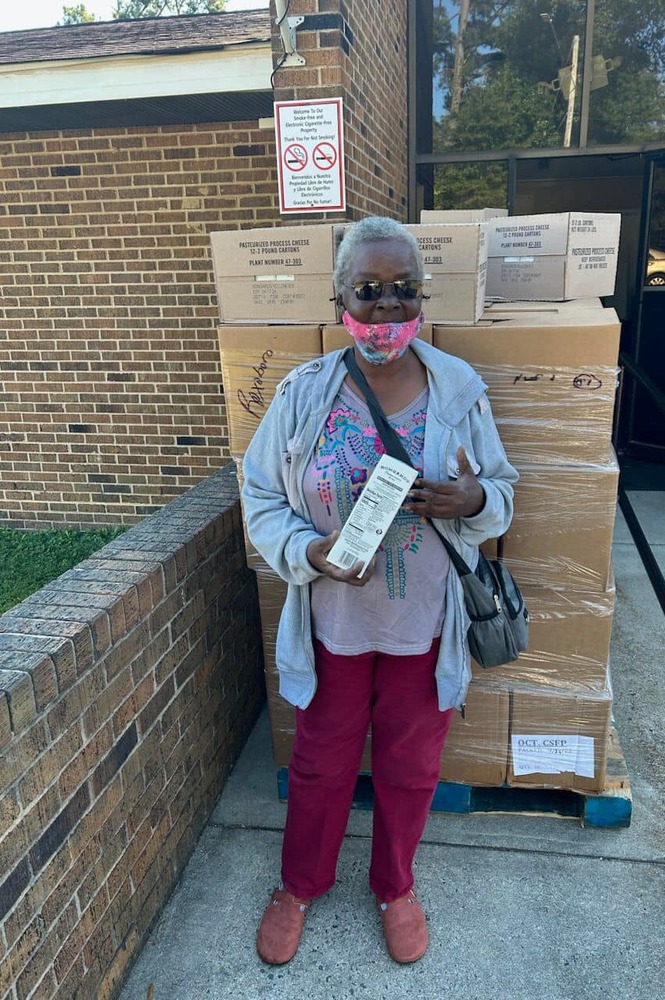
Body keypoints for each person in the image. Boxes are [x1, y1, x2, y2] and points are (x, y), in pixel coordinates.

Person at [241, 215, 518, 966]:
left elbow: (501, 491)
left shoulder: (457, 389)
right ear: (340, 299)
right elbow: (260, 494)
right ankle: (299, 885)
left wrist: (475, 503)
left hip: (424, 625)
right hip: (335, 622)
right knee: (320, 762)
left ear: (422, 298)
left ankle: (395, 885)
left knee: (410, 764)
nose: (387, 308)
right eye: (369, 291)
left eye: (403, 291)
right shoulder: (304, 393)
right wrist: (308, 550)